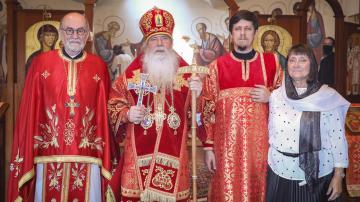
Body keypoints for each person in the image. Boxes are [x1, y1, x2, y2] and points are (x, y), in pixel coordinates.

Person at [7, 12, 114, 202]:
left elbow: (106, 114)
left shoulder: (99, 67)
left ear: (88, 34)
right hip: (47, 153)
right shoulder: (41, 64)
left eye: (80, 31)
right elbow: (29, 109)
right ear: (61, 33)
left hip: (88, 155)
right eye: (69, 30)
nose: (75, 36)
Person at [108, 7, 202, 202]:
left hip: (176, 153)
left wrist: (199, 94)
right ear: (146, 43)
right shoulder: (129, 76)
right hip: (138, 156)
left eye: (164, 38)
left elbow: (201, 116)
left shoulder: (188, 74)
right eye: (153, 39)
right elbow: (113, 105)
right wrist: (126, 113)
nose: (159, 44)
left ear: (172, 42)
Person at [201, 10, 282, 201]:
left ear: (255, 32)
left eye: (247, 29)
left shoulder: (271, 62)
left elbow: (286, 100)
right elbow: (207, 109)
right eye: (238, 29)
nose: (243, 33)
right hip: (226, 148)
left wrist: (272, 97)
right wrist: (208, 147)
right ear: (231, 33)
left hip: (262, 147)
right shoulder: (217, 66)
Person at [266, 44, 349, 202]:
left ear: (312, 65)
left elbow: (338, 139)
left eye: (303, 60)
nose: (296, 64)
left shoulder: (327, 96)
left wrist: (338, 176)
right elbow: (271, 132)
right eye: (292, 60)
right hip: (279, 170)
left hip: (317, 174)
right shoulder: (277, 95)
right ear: (287, 65)